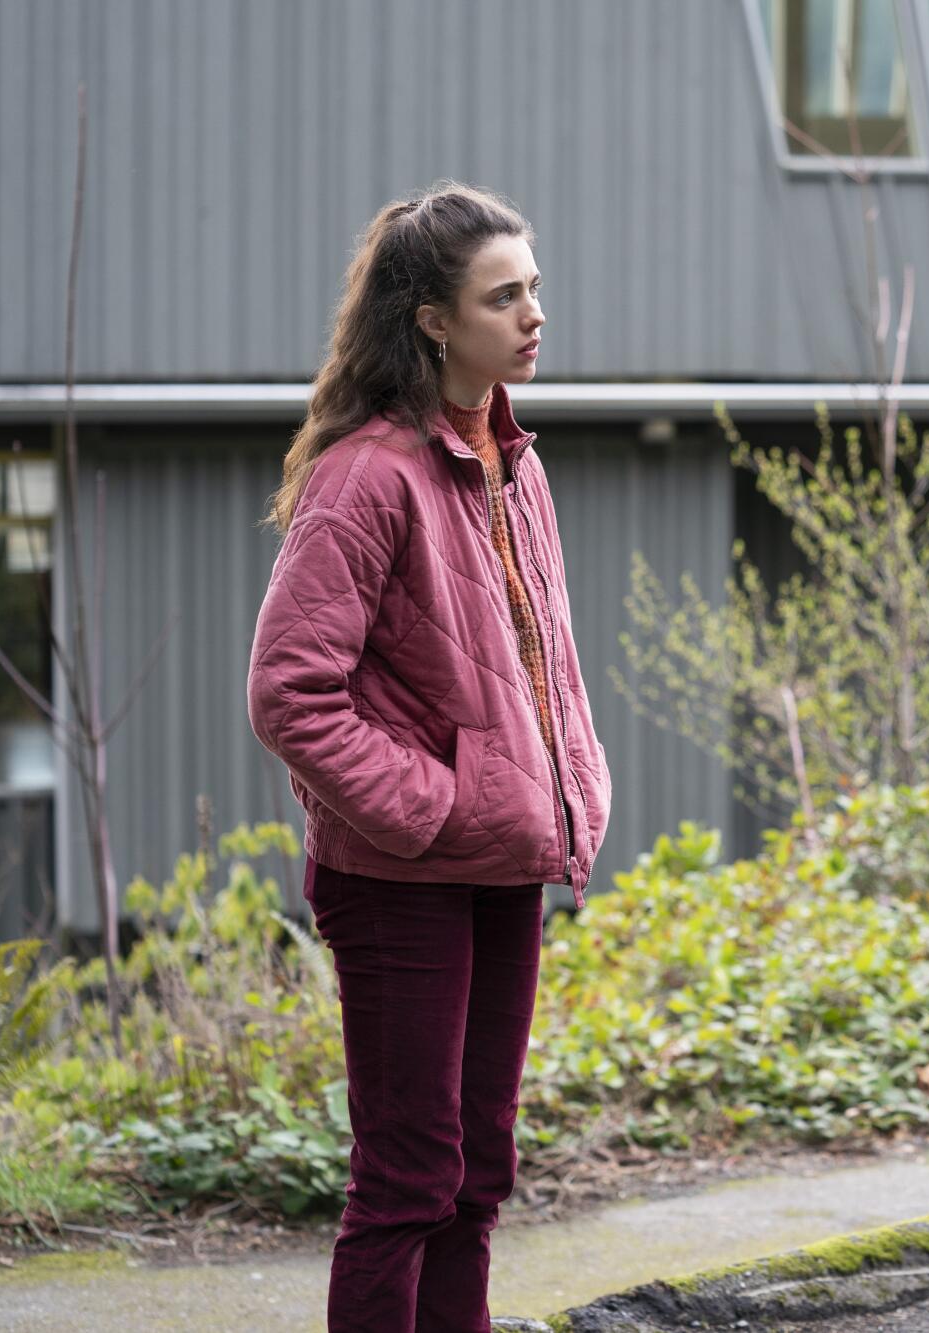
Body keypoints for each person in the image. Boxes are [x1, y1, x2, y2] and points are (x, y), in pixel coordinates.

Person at [247, 182, 612, 1331]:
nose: (533, 314)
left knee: (475, 1178)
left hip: (501, 865)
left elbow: (533, 666)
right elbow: (288, 691)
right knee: (406, 1183)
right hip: (400, 876)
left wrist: (560, 790)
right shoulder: (367, 474)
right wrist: (431, 804)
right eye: (503, 297)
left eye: (534, 289)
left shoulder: (517, 463)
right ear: (433, 320)